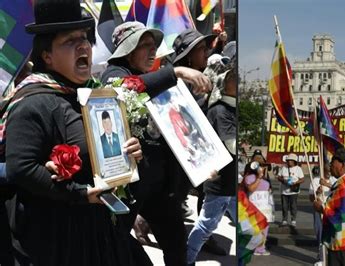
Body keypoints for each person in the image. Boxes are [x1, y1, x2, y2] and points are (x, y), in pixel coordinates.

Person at [4, 0, 144, 265]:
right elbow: (20, 168)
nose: (83, 46)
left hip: (96, 228)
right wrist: (78, 193)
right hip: (54, 237)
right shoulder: (33, 102)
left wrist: (132, 152)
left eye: (84, 38)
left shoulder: (94, 98)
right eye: (70, 41)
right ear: (46, 55)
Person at [101, 21, 211, 266]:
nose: (153, 51)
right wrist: (177, 72)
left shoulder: (154, 78)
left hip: (162, 187)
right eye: (145, 45)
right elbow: (124, 89)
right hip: (131, 186)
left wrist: (204, 161)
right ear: (128, 50)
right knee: (115, 243)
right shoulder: (114, 74)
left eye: (155, 46)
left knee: (176, 246)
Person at [187, 67, 237, 264]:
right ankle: (186, 258)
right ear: (225, 86)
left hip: (231, 182)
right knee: (206, 224)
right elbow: (232, 145)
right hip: (220, 182)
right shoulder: (220, 110)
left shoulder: (229, 108)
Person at [309, 164, 337, 266]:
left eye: (331, 169)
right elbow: (311, 198)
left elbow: (340, 190)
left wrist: (326, 184)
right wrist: (317, 192)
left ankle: (325, 256)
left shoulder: (335, 180)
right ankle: (321, 255)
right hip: (318, 210)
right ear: (323, 169)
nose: (329, 171)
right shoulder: (316, 180)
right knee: (320, 232)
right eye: (327, 170)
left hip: (331, 210)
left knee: (330, 234)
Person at [244, 161, 272, 256]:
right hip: (254, 207)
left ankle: (261, 248)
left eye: (264, 167)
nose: (263, 168)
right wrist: (259, 178)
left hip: (265, 208)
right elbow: (251, 189)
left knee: (265, 229)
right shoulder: (249, 178)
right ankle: (254, 249)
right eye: (262, 166)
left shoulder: (265, 179)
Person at [277, 153, 304, 227]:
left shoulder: (298, 169)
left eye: (291, 160)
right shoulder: (283, 168)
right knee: (284, 206)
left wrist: (295, 183)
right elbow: (279, 177)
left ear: (294, 161)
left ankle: (293, 220)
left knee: (293, 206)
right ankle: (284, 220)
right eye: (288, 160)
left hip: (294, 191)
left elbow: (302, 179)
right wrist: (283, 181)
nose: (289, 162)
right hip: (284, 191)